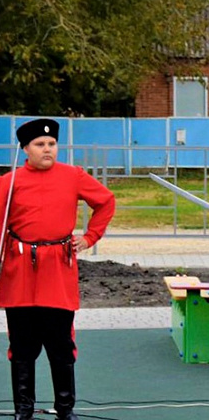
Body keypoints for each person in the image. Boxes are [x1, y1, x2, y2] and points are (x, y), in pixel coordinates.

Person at [0, 118, 116, 420]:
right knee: (22, 345)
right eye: (40, 144)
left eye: (51, 144)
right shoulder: (8, 183)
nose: (47, 149)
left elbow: (105, 201)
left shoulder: (73, 176)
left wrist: (90, 237)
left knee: (60, 343)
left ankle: (66, 409)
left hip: (58, 270)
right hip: (19, 270)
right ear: (26, 149)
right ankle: (23, 410)